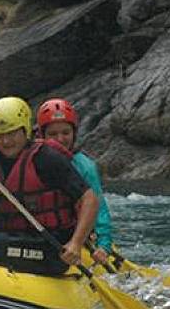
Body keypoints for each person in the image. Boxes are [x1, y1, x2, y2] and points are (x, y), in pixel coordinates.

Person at [0, 97, 99, 275]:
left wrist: (76, 243)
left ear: (25, 130)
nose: (6, 141)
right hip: (12, 231)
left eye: (11, 134)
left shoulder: (46, 158)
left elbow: (90, 199)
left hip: (52, 245)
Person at [36, 98, 114, 263]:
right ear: (42, 135)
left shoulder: (85, 166)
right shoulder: (32, 160)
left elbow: (99, 209)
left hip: (75, 236)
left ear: (74, 133)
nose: (60, 139)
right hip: (43, 234)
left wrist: (103, 245)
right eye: (52, 134)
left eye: (66, 133)